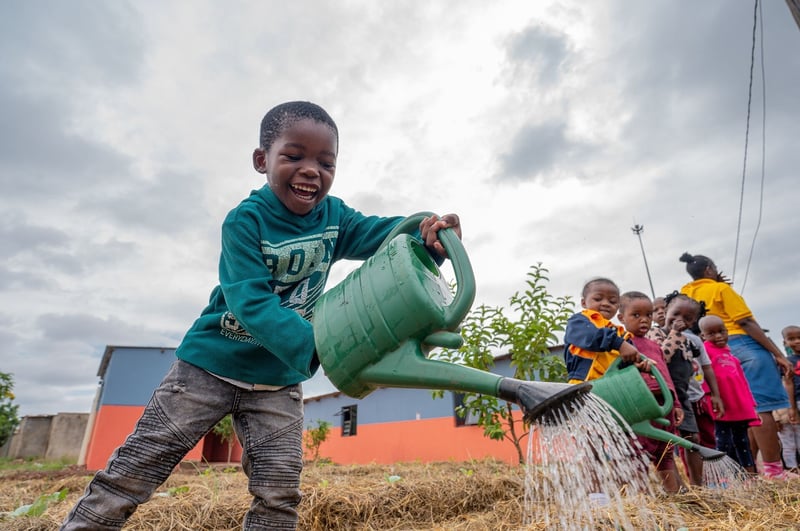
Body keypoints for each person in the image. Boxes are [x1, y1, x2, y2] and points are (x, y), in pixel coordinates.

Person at [60, 101, 463, 530]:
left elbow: (383, 235)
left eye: (326, 163)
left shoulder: (335, 218)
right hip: (208, 368)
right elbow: (250, 302)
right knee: (136, 469)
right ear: (261, 160)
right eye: (294, 156)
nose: (311, 170)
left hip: (277, 380)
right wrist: (319, 344)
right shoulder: (245, 222)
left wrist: (427, 236)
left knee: (279, 490)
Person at [679, 253, 792, 479]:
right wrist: (777, 353)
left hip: (708, 353)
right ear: (709, 269)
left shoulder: (686, 293)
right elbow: (745, 321)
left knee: (740, 413)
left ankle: (746, 471)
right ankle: (774, 470)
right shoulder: (721, 289)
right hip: (742, 346)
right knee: (762, 407)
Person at [649, 292, 724, 485]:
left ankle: (699, 485)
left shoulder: (689, 341)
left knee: (693, 440)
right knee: (667, 441)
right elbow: (661, 358)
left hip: (683, 398)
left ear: (694, 322)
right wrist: (674, 333)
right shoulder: (655, 333)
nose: (680, 320)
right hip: (663, 396)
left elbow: (693, 369)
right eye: (676, 314)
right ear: (665, 311)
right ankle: (676, 486)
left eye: (688, 318)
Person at [617, 291, 684, 493]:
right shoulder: (623, 345)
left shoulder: (654, 345)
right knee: (638, 450)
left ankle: (673, 496)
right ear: (621, 318)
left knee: (666, 450)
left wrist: (677, 404)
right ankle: (640, 499)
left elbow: (666, 375)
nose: (644, 320)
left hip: (666, 405)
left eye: (648, 314)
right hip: (642, 406)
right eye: (636, 315)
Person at [698, 315, 760, 473]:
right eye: (711, 333)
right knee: (723, 441)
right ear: (703, 336)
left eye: (722, 331)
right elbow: (703, 376)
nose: (718, 336)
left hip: (739, 407)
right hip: (722, 407)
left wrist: (752, 405)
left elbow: (743, 384)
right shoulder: (705, 354)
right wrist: (709, 396)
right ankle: (725, 477)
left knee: (743, 441)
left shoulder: (732, 357)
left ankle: (750, 475)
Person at [563, 278, 650, 384]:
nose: (605, 303)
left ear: (617, 306)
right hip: (583, 384)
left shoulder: (621, 334)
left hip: (612, 387)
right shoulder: (578, 322)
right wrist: (619, 344)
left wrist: (635, 366)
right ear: (584, 302)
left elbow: (623, 362)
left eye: (612, 301)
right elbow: (591, 336)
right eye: (598, 299)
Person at [776, 326, 800, 472]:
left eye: (799, 337)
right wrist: (791, 409)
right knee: (789, 442)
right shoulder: (786, 363)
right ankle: (792, 469)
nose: (797, 341)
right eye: (791, 339)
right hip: (792, 404)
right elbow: (786, 384)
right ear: (784, 343)